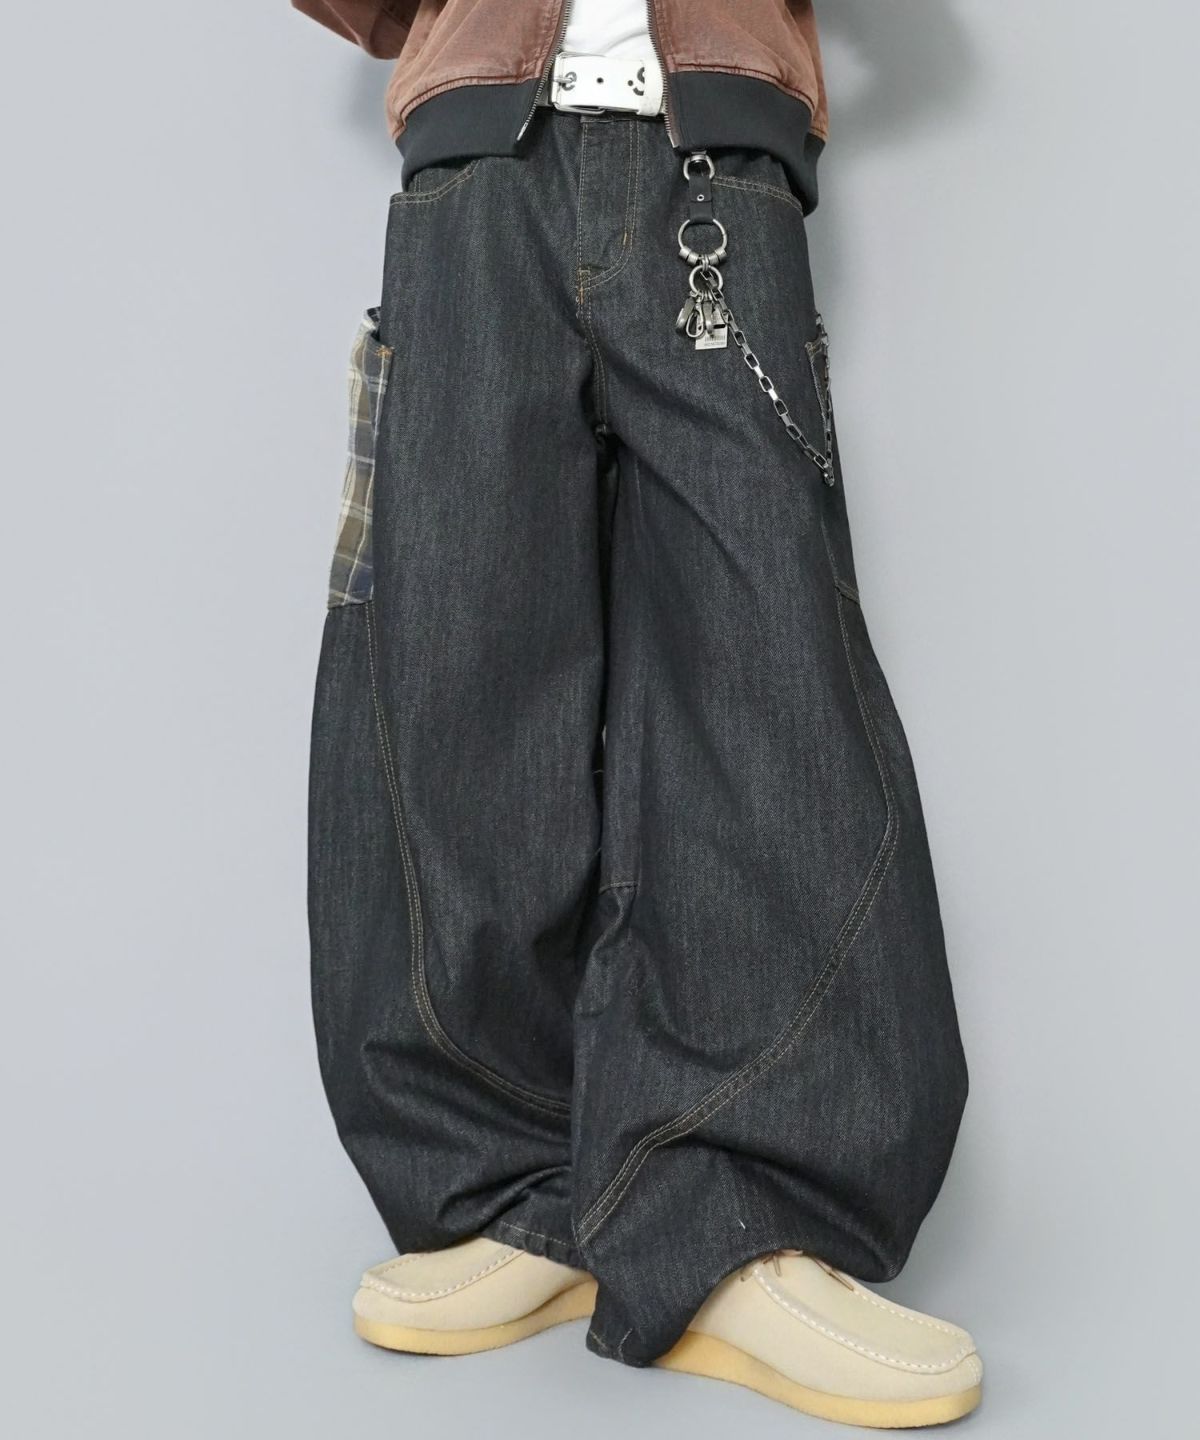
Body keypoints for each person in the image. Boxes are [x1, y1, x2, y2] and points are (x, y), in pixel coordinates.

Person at [298, 0, 981, 1426]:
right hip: (476, 181)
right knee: (454, 661)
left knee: (759, 660)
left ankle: (741, 1212)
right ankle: (513, 1194)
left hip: (709, 172)